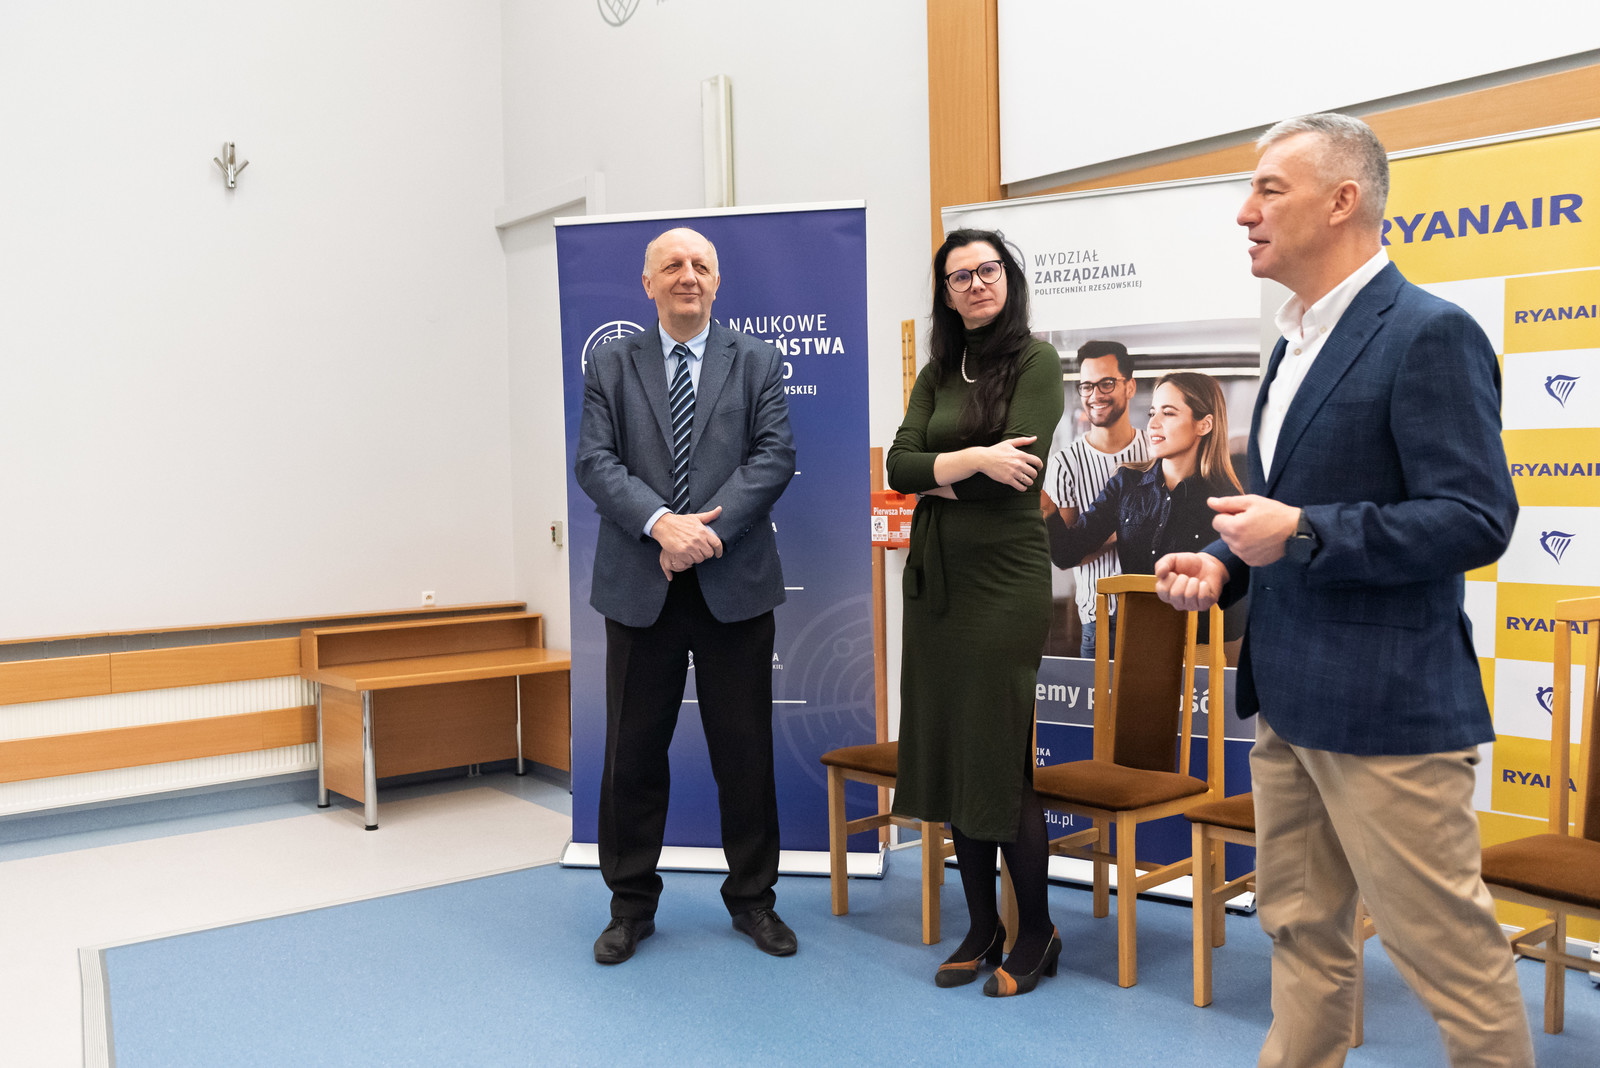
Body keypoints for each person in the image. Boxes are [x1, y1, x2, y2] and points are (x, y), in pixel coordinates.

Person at [1155, 114, 1533, 1066]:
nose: (1244, 212)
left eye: (1268, 190)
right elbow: (1287, 503)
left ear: (1342, 201)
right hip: (1287, 702)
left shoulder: (1429, 334)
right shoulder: (1292, 344)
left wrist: (1303, 531)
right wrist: (1226, 561)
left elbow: (1475, 518)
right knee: (1298, 929)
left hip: (1388, 712)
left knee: (1445, 953)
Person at [573, 227, 798, 965]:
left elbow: (774, 458)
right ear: (648, 284)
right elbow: (595, 461)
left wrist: (701, 534)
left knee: (745, 751)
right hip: (641, 585)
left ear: (717, 281)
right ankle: (630, 907)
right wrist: (660, 524)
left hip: (734, 584)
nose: (688, 276)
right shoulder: (610, 364)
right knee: (633, 753)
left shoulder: (756, 361)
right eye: (672, 265)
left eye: (701, 265)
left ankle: (754, 900)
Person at [887, 229, 1065, 997]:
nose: (976, 284)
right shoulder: (937, 371)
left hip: (1004, 580)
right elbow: (897, 466)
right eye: (959, 276)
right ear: (946, 293)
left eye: (988, 270)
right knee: (959, 751)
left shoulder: (1037, 362)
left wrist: (944, 474)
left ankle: (1038, 929)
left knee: (997, 753)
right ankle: (982, 925)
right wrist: (975, 459)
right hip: (939, 584)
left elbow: (1013, 480)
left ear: (1008, 279)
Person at [1047, 372, 1242, 644]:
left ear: (1204, 424)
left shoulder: (1228, 499)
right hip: (1135, 644)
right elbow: (1066, 553)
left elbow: (1236, 599)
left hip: (1199, 650)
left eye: (1168, 413)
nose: (1153, 423)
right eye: (1153, 413)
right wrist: (1047, 510)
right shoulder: (1125, 483)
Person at [1042, 341, 1148, 658]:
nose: (1095, 395)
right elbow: (1068, 551)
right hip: (1100, 617)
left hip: (1155, 608)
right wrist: (1127, 530)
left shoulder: (1155, 451)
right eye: (1087, 386)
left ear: (1130, 387)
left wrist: (1104, 535)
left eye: (1107, 383)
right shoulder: (1066, 463)